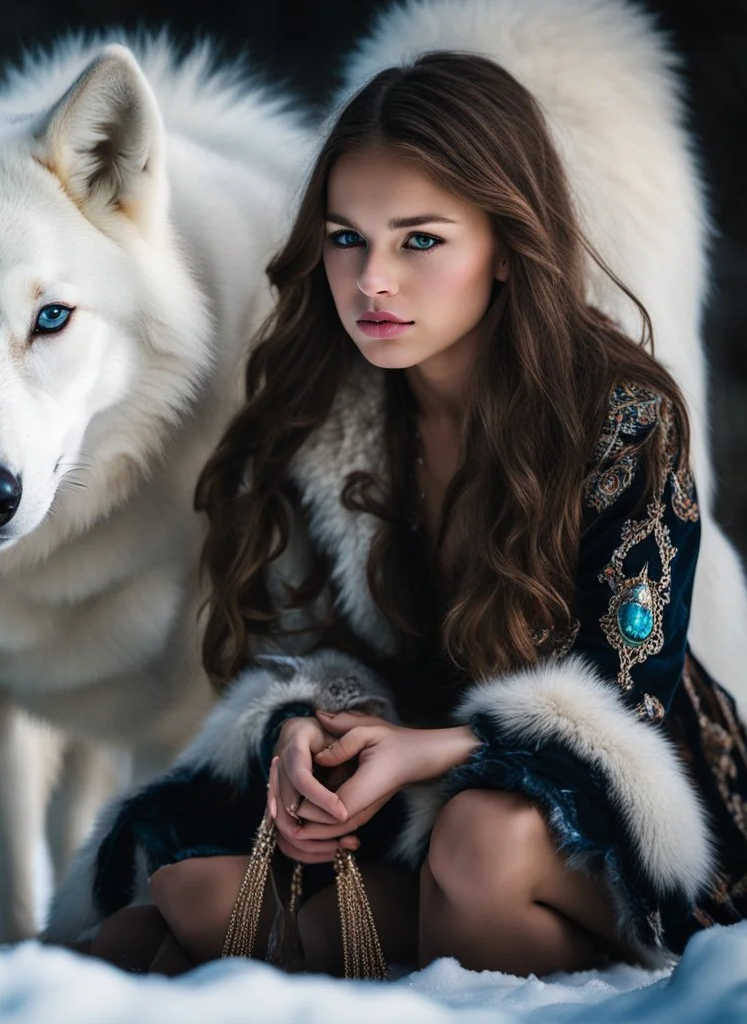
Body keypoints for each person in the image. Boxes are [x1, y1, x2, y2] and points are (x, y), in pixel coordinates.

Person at [51, 51, 747, 977]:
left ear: (505, 242)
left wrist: (433, 752)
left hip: (617, 816)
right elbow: (297, 642)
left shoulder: (620, 412)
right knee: (166, 907)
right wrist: (304, 729)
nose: (372, 280)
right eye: (347, 238)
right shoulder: (319, 412)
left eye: (420, 240)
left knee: (478, 841)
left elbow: (626, 688)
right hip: (403, 809)